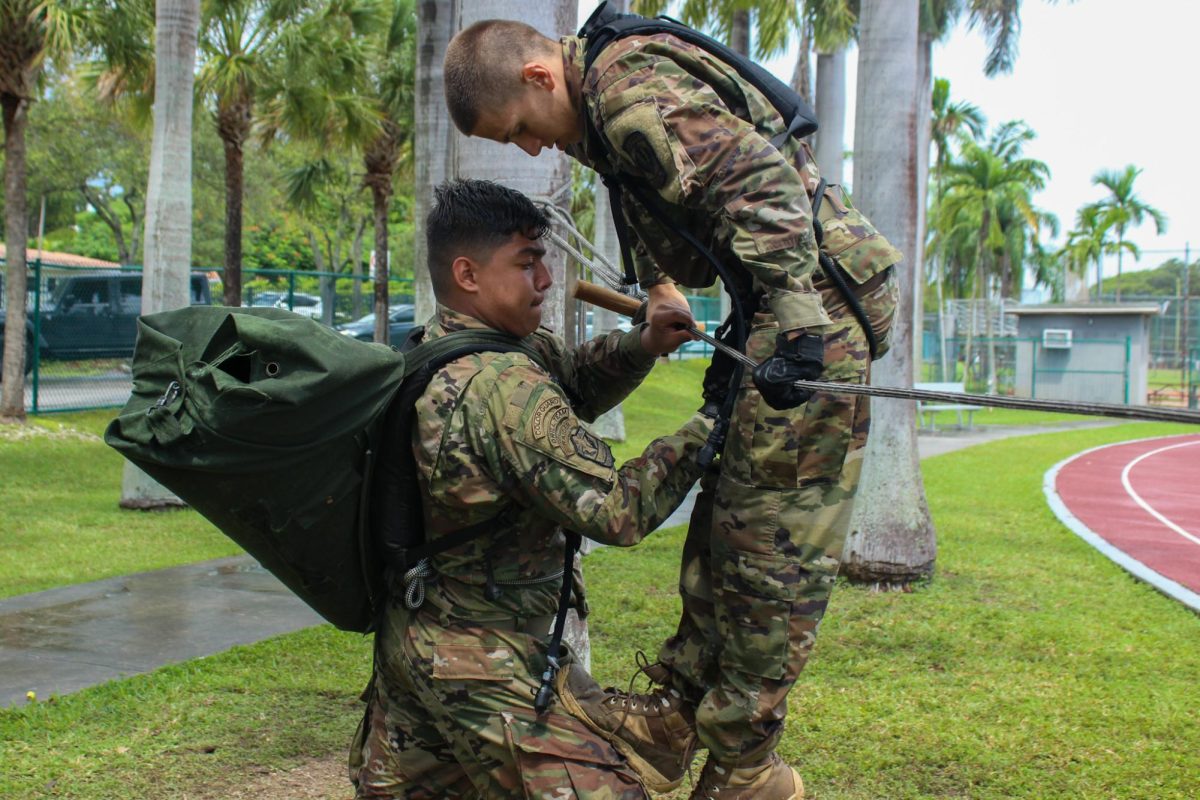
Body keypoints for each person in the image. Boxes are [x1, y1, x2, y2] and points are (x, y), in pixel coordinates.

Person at [443, 15, 900, 799]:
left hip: (819, 305)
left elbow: (761, 179)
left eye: (519, 128)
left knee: (770, 544)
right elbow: (652, 198)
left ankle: (746, 767)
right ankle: (681, 713)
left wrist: (794, 319)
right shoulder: (601, 112)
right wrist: (660, 292)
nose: (527, 148)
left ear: (538, 78)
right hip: (774, 307)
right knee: (726, 515)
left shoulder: (624, 90)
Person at [348, 178, 718, 799]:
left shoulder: (441, 347)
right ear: (467, 274)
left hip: (416, 639)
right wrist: (713, 420)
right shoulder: (501, 385)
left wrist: (646, 341)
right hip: (483, 661)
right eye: (526, 263)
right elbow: (618, 509)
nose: (546, 279)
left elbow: (570, 378)